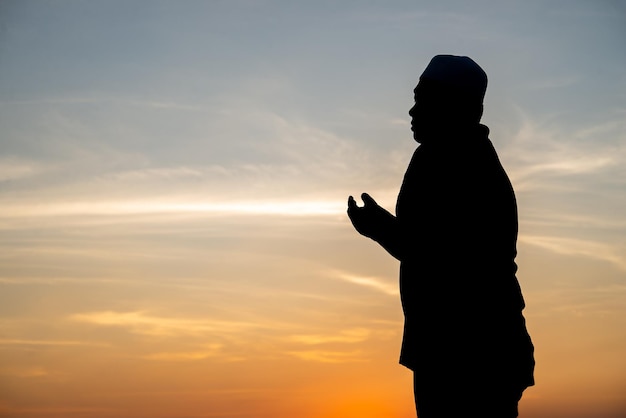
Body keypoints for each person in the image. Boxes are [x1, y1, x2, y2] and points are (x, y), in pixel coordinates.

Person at [347, 55, 535, 418]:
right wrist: (384, 229)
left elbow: (445, 257)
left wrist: (381, 229)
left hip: (471, 353)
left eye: (422, 99)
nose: (412, 110)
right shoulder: (446, 157)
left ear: (452, 105)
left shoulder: (462, 163)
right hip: (453, 348)